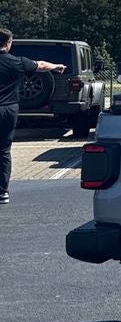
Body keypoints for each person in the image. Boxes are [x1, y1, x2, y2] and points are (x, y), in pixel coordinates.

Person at [0, 28, 67, 205]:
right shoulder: (17, 62)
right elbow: (42, 65)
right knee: (4, 150)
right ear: (8, 43)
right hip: (9, 109)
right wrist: (57, 66)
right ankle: (2, 192)